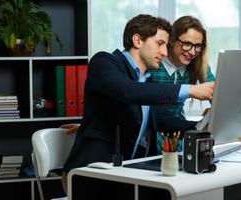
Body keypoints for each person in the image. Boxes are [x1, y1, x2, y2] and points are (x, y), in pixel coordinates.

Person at [61, 14, 214, 194]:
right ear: (137, 40)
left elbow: (163, 119)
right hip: (89, 174)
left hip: (125, 174)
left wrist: (200, 127)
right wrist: (190, 90)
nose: (165, 52)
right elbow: (128, 91)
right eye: (160, 44)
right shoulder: (104, 62)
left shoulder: (146, 81)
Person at [149, 15, 215, 154]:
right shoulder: (153, 60)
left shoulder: (199, 65)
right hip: (151, 131)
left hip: (179, 131)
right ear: (172, 40)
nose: (192, 52)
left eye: (197, 46)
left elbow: (217, 95)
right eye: (187, 44)